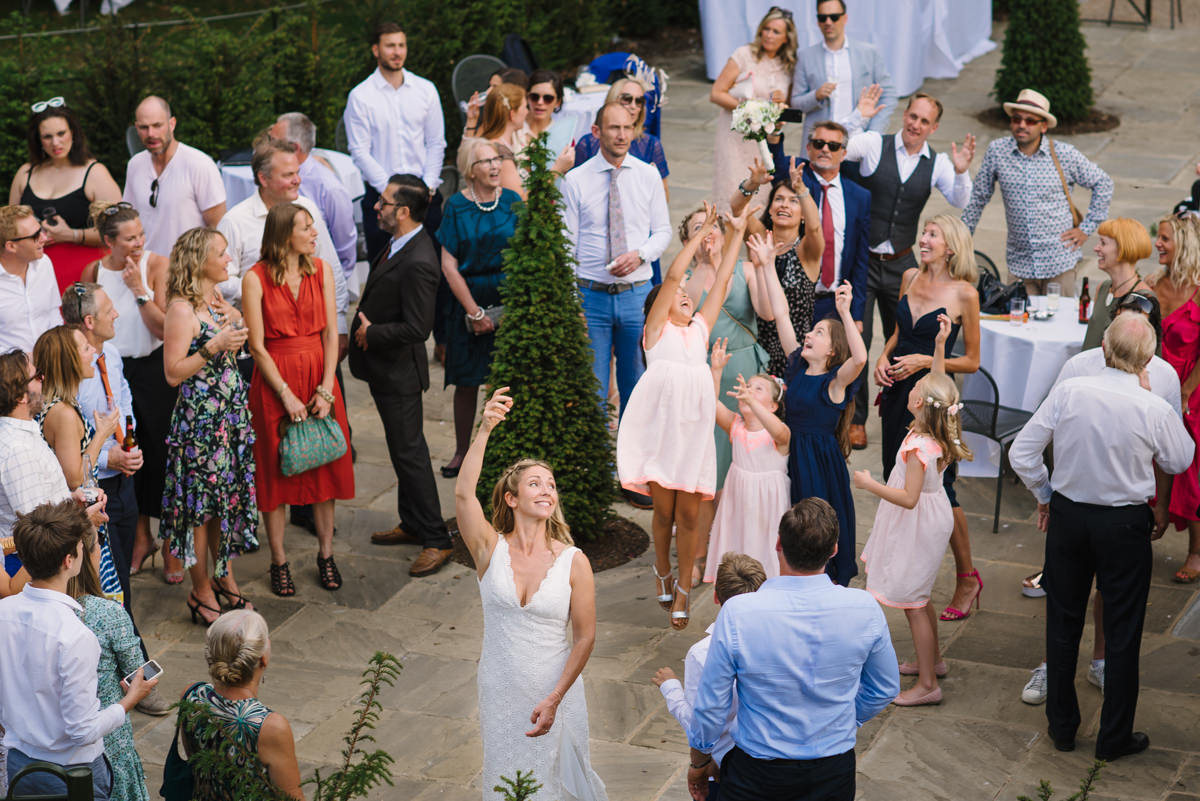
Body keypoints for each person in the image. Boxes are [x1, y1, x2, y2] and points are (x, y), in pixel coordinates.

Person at [1009, 313, 1192, 761]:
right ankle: (1114, 738)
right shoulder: (1152, 407)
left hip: (1070, 518)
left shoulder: (1071, 390)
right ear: (1148, 359)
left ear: (1105, 351)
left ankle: (1063, 727)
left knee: (1062, 620)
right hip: (1123, 524)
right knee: (1124, 631)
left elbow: (1022, 452)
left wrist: (1046, 494)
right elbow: (1181, 458)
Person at [686, 498, 900, 801]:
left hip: (756, 774)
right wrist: (846, 720)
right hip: (832, 771)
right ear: (834, 549)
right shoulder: (864, 608)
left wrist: (700, 761)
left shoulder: (738, 613)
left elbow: (710, 708)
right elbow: (884, 688)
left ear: (778, 544)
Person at [454, 388, 607, 801]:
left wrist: (556, 697)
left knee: (555, 786)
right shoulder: (490, 550)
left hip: (554, 691)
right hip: (500, 687)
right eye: (535, 483)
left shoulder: (574, 562)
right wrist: (484, 428)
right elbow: (464, 495)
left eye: (551, 485)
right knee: (505, 778)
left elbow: (586, 637)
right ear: (512, 498)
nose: (546, 490)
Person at [618, 202, 746, 629]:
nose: (687, 296)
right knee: (664, 513)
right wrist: (700, 232)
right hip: (662, 435)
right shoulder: (656, 334)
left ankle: (685, 587)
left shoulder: (699, 332)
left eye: (690, 297)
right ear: (660, 306)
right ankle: (662, 567)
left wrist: (737, 233)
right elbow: (673, 276)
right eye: (679, 296)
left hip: (694, 435)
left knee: (690, 516)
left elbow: (724, 282)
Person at [841, 90, 976, 449]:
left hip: (903, 259)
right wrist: (859, 116)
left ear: (934, 127)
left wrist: (962, 173)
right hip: (863, 261)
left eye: (924, 121)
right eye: (912, 116)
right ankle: (855, 419)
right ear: (905, 116)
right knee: (860, 339)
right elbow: (839, 147)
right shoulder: (873, 144)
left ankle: (904, 409)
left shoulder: (939, 164)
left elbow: (960, 200)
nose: (915, 124)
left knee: (904, 336)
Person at [0, 499, 157, 801]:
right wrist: (130, 699)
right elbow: (82, 731)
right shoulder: (74, 635)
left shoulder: (4, 612)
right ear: (68, 561)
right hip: (72, 772)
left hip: (19, 764)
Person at [855, 314, 969, 706]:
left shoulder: (919, 446)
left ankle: (927, 686)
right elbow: (939, 383)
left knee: (914, 601)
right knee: (918, 594)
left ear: (918, 402)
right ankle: (932, 662)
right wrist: (939, 346)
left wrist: (871, 484)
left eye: (916, 385)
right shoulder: (938, 427)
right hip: (927, 518)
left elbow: (908, 498)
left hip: (916, 519)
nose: (914, 384)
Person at [874, 215, 982, 621]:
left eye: (932, 235)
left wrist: (925, 359)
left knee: (942, 488)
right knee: (898, 475)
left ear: (951, 246)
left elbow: (971, 361)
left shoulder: (964, 294)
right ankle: (901, 567)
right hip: (899, 393)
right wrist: (883, 357)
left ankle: (967, 575)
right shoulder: (908, 277)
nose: (923, 239)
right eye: (924, 232)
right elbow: (900, 333)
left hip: (935, 400)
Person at [243, 203, 354, 596]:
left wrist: (325, 389)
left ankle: (326, 554)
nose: (314, 234)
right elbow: (256, 345)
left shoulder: (320, 270)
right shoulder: (254, 278)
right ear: (284, 236)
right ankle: (279, 561)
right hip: (275, 382)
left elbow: (330, 334)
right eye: (306, 228)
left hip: (319, 378)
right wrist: (286, 394)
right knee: (275, 478)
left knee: (324, 470)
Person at [350, 175, 454, 577]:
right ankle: (412, 523)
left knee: (411, 455)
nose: (376, 208)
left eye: (384, 203)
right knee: (400, 451)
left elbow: (418, 328)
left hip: (399, 375)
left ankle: (436, 538)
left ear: (405, 212)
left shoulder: (420, 260)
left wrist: (371, 333)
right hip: (384, 371)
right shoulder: (401, 243)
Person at [560, 102, 672, 478]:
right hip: (590, 296)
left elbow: (664, 232)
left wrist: (640, 255)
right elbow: (565, 246)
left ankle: (630, 469)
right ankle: (595, 468)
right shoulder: (576, 180)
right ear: (596, 132)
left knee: (636, 386)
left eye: (628, 128)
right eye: (614, 128)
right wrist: (573, 302)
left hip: (636, 296)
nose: (622, 135)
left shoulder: (647, 175)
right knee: (591, 389)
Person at [79, 201, 183, 585]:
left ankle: (172, 545)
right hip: (110, 372)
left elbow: (164, 329)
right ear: (109, 241)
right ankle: (142, 539)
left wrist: (139, 290)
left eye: (141, 233)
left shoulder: (157, 265)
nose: (139, 242)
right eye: (129, 238)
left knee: (161, 455)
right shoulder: (93, 271)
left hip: (154, 370)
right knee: (127, 454)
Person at [753, 246, 867, 585]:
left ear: (833, 350)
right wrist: (767, 265)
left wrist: (844, 313)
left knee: (815, 524)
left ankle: (825, 582)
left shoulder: (834, 384)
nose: (809, 335)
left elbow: (860, 359)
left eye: (818, 333)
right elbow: (782, 313)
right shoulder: (796, 368)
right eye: (812, 330)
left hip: (819, 463)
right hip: (790, 455)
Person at [161, 227, 257, 625]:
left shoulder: (215, 301)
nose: (229, 260)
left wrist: (236, 330)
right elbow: (172, 372)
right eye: (222, 253)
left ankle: (224, 580)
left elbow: (235, 353)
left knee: (224, 507)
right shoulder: (182, 309)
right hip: (201, 427)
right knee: (200, 512)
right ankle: (200, 592)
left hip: (230, 421)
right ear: (201, 260)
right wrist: (213, 346)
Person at [679, 206, 773, 580]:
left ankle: (738, 548)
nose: (706, 233)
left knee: (740, 463)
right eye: (696, 227)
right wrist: (701, 266)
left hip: (743, 373)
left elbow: (765, 313)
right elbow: (680, 320)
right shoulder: (686, 278)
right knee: (705, 470)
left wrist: (764, 266)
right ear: (688, 240)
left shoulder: (744, 269)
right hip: (704, 372)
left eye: (711, 226)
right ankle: (699, 552)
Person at [962, 88, 1114, 296]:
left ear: (1043, 126)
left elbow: (1103, 183)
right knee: (1018, 324)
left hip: (1059, 261)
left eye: (1030, 121)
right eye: (1017, 119)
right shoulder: (997, 152)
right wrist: (960, 239)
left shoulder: (1064, 154)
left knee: (1060, 324)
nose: (1022, 125)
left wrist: (1086, 229)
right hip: (1020, 265)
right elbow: (978, 197)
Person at [653, 552, 767, 800]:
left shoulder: (703, 654)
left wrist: (671, 688)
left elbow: (700, 724)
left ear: (716, 597)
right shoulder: (778, 642)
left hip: (725, 766)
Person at [438, 140, 521, 478]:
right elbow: (448, 264)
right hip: (467, 298)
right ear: (470, 170)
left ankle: (502, 452)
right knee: (467, 380)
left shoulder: (513, 202)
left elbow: (526, 252)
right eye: (486, 161)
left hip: (509, 297)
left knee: (506, 380)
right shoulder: (456, 206)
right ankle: (462, 451)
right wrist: (474, 312)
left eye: (498, 159)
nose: (495, 166)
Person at [59, 284, 142, 613]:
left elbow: (124, 400)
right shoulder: (74, 371)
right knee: (111, 577)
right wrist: (110, 455)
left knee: (124, 576)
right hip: (97, 487)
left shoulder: (113, 354)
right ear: (90, 321)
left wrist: (131, 446)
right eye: (110, 310)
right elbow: (72, 436)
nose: (117, 314)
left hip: (125, 480)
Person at [0, 350, 108, 599]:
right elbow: (40, 534)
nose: (44, 378)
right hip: (39, 574)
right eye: (37, 376)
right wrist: (83, 517)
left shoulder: (23, 435)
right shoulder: (17, 449)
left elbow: (42, 505)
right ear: (19, 396)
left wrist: (71, 499)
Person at [32, 324, 124, 608]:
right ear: (69, 360)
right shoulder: (63, 413)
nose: (93, 351)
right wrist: (101, 435)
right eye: (85, 348)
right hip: (77, 529)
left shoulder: (57, 405)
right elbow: (75, 478)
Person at [215, 139, 347, 330]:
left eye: (297, 172)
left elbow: (331, 266)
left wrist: (340, 325)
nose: (297, 180)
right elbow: (221, 280)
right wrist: (263, 286)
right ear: (263, 178)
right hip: (257, 332)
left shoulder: (308, 208)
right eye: (288, 175)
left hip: (311, 330)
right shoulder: (235, 221)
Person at [344, 21, 447, 260]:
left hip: (425, 195)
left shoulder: (426, 90)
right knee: (384, 271)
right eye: (390, 46)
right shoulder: (361, 96)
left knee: (432, 267)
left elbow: (436, 142)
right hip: (382, 199)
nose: (397, 52)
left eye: (401, 45)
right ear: (376, 50)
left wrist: (428, 185)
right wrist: (390, 193)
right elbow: (359, 151)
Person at [179, 609, 304, 800]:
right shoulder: (270, 727)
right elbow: (291, 797)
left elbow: (196, 762)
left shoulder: (192, 696)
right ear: (263, 658)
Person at [67, 523, 151, 801]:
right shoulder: (109, 613)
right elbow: (137, 672)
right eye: (97, 546)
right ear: (83, 558)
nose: (101, 550)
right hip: (108, 741)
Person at [8, 99, 121, 292]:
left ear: (73, 133)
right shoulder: (25, 173)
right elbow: (8, 229)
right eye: (47, 136)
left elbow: (119, 231)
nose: (56, 143)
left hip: (83, 280)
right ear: (38, 140)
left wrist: (72, 235)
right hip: (33, 280)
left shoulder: (95, 173)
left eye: (61, 133)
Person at [766, 121, 870, 329]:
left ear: (843, 153)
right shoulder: (797, 176)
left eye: (833, 146)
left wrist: (857, 313)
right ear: (809, 147)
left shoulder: (859, 196)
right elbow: (775, 164)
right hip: (794, 296)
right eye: (819, 143)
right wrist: (775, 132)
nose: (824, 149)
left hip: (835, 300)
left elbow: (861, 257)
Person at [705, 342, 789, 581]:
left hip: (767, 506)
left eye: (758, 389)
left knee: (765, 548)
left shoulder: (779, 433)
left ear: (773, 406)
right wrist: (717, 371)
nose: (749, 390)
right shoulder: (736, 426)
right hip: (738, 502)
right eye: (748, 386)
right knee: (738, 546)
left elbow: (781, 434)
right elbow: (710, 404)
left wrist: (750, 402)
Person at [732, 162, 824, 377]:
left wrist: (801, 190)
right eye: (779, 199)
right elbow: (737, 208)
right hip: (754, 347)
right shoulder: (759, 238)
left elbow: (815, 228)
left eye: (793, 202)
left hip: (792, 350)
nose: (784, 205)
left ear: (803, 214)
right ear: (770, 208)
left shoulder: (807, 251)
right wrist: (752, 183)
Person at [1148, 212, 1200, 583]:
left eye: (1165, 239)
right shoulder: (1155, 285)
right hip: (1157, 385)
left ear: (1184, 244)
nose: (1158, 245)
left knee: (1191, 473)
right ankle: (1152, 523)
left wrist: (1185, 391)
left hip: (1192, 389)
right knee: (1152, 462)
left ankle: (1197, 551)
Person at [709, 6, 796, 212]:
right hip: (735, 136)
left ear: (786, 38)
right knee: (732, 190)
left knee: (761, 196)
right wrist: (749, 108)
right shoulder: (744, 55)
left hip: (763, 142)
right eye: (766, 29)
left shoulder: (788, 66)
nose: (769, 35)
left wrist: (779, 103)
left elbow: (785, 105)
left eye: (776, 31)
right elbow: (717, 93)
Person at [123, 96, 226, 258]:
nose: (151, 134)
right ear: (136, 128)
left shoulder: (199, 164)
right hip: (145, 271)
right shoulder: (135, 165)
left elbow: (219, 227)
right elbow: (129, 221)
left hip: (188, 271)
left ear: (172, 124)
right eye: (144, 127)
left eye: (157, 125)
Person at [789, 0, 896, 145]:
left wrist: (874, 133)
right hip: (819, 145)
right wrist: (816, 95)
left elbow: (888, 96)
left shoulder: (868, 53)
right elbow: (795, 103)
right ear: (818, 22)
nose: (828, 22)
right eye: (823, 18)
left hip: (858, 140)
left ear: (845, 18)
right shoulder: (806, 57)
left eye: (834, 17)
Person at [270, 112, 359, 284]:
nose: (268, 147)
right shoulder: (271, 178)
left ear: (295, 148)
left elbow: (345, 249)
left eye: (274, 142)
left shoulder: (329, 188)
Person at [577, 78, 670, 198]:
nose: (633, 106)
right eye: (627, 99)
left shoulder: (651, 145)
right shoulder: (588, 144)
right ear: (612, 100)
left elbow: (663, 196)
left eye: (639, 101)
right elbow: (575, 189)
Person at [1082, 218, 1159, 350]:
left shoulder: (1142, 298)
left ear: (1122, 249)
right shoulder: (1104, 288)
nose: (1096, 248)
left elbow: (1138, 354)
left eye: (1103, 243)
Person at [0, 204, 62, 353]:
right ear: (11, 246)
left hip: (50, 363)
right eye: (35, 236)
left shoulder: (44, 263)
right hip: (10, 372)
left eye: (40, 231)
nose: (44, 238)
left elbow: (54, 315)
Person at [521, 69, 574, 158]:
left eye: (548, 98)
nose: (540, 102)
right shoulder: (513, 128)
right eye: (534, 97)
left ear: (558, 102)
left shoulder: (563, 136)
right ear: (527, 97)